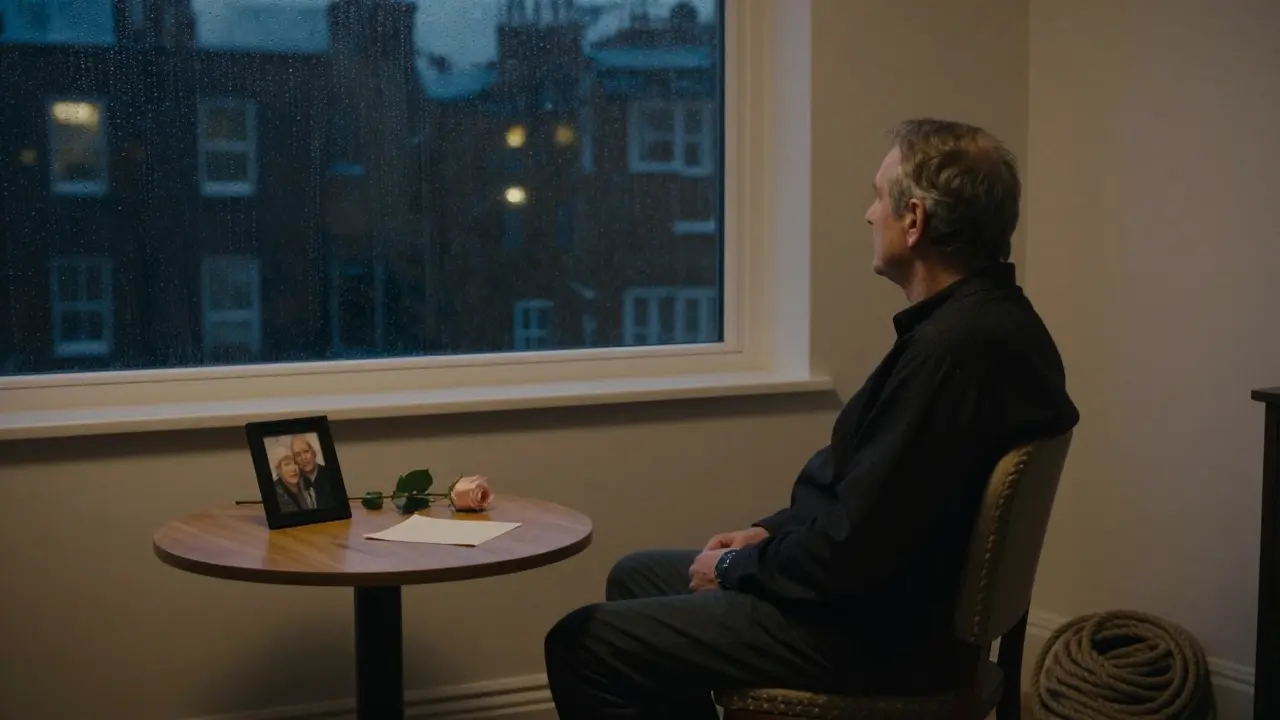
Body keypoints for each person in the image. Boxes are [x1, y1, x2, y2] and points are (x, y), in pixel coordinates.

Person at [543, 118, 1081, 719]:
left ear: (916, 219)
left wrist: (735, 567)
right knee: (637, 575)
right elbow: (869, 497)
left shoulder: (955, 355)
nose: (868, 215)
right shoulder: (987, 325)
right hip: (884, 606)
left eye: (879, 196)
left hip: (871, 636)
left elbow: (852, 552)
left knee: (583, 643)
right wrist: (769, 534)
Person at [291, 435, 335, 508]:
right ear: (295, 460)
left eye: (306, 451)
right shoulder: (295, 483)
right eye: (298, 455)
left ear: (313, 452)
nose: (303, 458)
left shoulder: (331, 475)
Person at [271, 445, 315, 513]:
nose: (293, 468)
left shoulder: (307, 484)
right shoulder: (275, 494)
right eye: (287, 464)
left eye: (296, 463)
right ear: (278, 469)